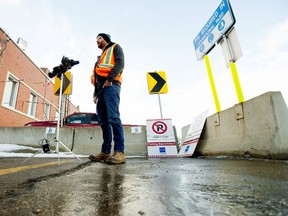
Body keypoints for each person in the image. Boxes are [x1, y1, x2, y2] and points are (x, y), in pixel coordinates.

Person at [89, 33, 126, 164]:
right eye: (96, 39)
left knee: (114, 118)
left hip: (111, 86)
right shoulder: (98, 60)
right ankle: (105, 152)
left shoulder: (115, 47)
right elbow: (97, 78)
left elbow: (120, 63)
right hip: (101, 92)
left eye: (99, 38)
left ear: (106, 39)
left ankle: (119, 153)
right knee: (104, 122)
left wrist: (110, 79)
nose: (97, 41)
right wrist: (95, 93)